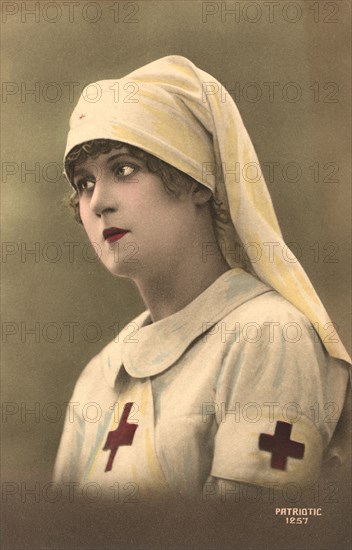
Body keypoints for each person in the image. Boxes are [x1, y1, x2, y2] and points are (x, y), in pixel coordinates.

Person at [53, 56, 350, 501]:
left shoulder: (267, 336)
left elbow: (252, 534)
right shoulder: (99, 376)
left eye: (124, 169)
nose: (98, 203)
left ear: (197, 182)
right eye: (84, 183)